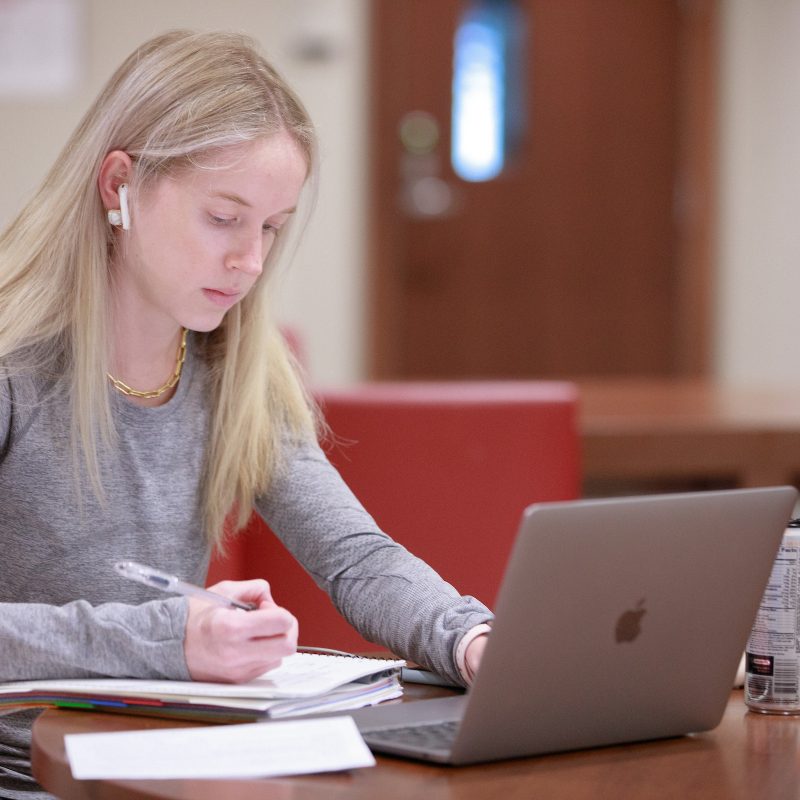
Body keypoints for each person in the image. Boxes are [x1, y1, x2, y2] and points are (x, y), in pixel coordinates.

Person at [0, 29, 493, 798]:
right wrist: (169, 639)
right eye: (224, 218)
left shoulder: (236, 373)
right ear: (118, 186)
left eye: (270, 227)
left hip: (163, 772)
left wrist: (470, 638)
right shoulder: (12, 365)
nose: (252, 261)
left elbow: (356, 558)